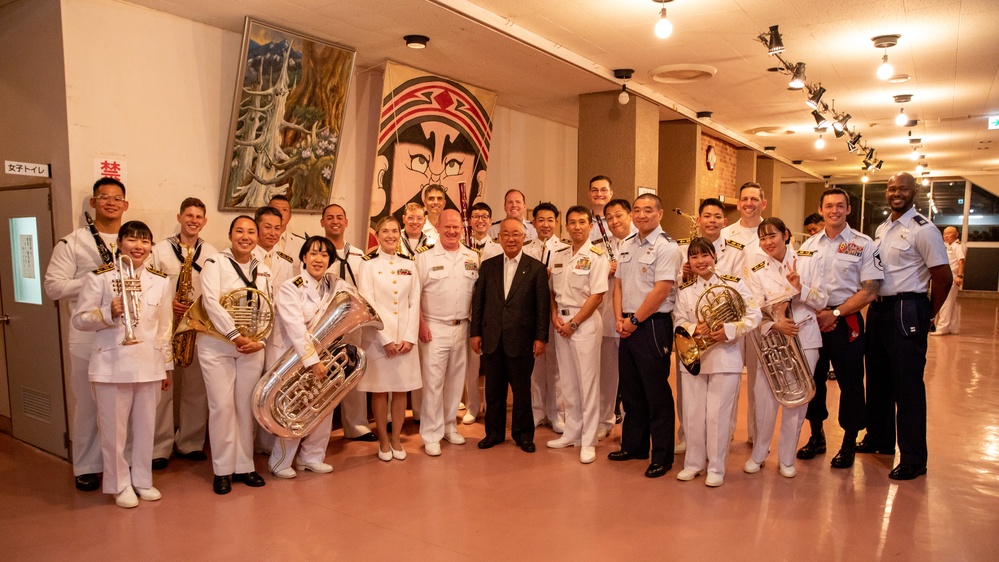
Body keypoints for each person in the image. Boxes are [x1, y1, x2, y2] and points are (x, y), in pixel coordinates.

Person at [72, 221, 174, 508]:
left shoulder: (161, 281)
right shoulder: (100, 277)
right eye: (132, 240)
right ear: (119, 243)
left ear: (151, 248)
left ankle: (142, 479)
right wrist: (107, 311)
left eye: (144, 241)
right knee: (113, 431)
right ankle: (118, 484)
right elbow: (79, 319)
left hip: (149, 365)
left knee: (145, 428)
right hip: (111, 364)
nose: (138, 246)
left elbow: (165, 327)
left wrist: (167, 367)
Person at [862, 172, 952, 480]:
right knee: (877, 379)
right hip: (878, 309)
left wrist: (928, 314)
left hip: (906, 308)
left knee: (908, 387)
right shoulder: (884, 227)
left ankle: (914, 458)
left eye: (903, 189)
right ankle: (880, 439)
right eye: (891, 188)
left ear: (914, 192)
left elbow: (943, 277)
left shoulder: (923, 230)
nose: (896, 193)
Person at [44, 177, 128, 492]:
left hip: (125, 336)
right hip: (86, 336)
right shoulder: (73, 243)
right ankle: (87, 466)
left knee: (123, 406)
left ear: (125, 204)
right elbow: (53, 287)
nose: (111, 202)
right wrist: (96, 279)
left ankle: (122, 462)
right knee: (88, 405)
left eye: (117, 197)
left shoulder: (133, 238)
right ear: (93, 203)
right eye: (104, 197)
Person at [796, 188, 882, 469]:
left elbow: (870, 290)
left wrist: (834, 313)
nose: (834, 210)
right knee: (813, 381)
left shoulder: (864, 244)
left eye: (840, 206)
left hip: (847, 322)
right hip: (812, 322)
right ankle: (817, 436)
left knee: (851, 384)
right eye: (829, 206)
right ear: (821, 209)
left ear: (848, 210)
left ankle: (848, 441)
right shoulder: (808, 245)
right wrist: (818, 315)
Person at [674, 238, 761, 487]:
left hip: (725, 356)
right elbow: (678, 320)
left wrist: (730, 329)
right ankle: (693, 464)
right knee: (692, 414)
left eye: (705, 255)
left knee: (717, 416)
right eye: (694, 257)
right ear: (689, 261)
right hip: (694, 357)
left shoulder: (733, 285)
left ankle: (716, 467)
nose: (700, 261)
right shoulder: (685, 289)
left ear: (715, 256)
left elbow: (753, 315)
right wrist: (693, 327)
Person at [744, 218, 825, 479]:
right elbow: (752, 307)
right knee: (765, 397)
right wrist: (775, 324)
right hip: (772, 339)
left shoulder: (808, 261)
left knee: (797, 399)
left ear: (786, 234)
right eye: (763, 238)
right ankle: (758, 453)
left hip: (805, 336)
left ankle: (787, 458)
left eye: (773, 236)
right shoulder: (755, 268)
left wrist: (800, 288)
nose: (768, 242)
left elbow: (823, 299)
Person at [268, 236, 353, 478]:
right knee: (293, 410)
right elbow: (295, 328)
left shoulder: (333, 285)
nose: (318, 259)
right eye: (313, 253)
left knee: (322, 405)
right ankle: (280, 462)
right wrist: (312, 360)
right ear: (304, 257)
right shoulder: (290, 287)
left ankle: (312, 457)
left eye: (324, 255)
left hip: (323, 353)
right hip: (293, 356)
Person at [199, 216, 272, 495]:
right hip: (218, 346)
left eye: (251, 231)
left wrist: (262, 340)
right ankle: (222, 470)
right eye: (239, 231)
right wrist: (234, 334)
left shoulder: (263, 269)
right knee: (221, 408)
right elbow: (211, 303)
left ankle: (244, 466)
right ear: (230, 235)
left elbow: (269, 307)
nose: (246, 236)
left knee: (245, 407)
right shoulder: (215, 263)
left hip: (252, 347)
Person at [610, 194, 680, 478]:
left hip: (652, 325)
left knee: (656, 392)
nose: (641, 215)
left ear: (660, 214)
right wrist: (620, 318)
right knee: (631, 390)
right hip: (626, 323)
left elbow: (661, 290)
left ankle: (662, 455)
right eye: (637, 210)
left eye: (648, 210)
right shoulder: (627, 245)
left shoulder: (667, 247)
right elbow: (619, 285)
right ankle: (634, 446)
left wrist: (635, 320)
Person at [674, 198, 751, 453]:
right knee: (691, 402)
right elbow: (678, 306)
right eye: (707, 216)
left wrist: (728, 328)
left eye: (717, 216)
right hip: (695, 341)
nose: (712, 221)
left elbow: (745, 303)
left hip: (724, 343)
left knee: (721, 407)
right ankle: (691, 445)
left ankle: (719, 449)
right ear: (699, 220)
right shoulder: (683, 252)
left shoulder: (737, 251)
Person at [149, 197, 218, 468]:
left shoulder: (212, 252)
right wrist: (169, 304)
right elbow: (150, 284)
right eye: (188, 215)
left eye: (198, 216)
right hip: (165, 326)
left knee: (196, 388)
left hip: (197, 327)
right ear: (179, 218)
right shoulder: (159, 250)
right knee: (163, 387)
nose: (193, 220)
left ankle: (190, 442)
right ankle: (159, 447)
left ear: (204, 221)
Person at [471, 218, 550, 453]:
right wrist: (475, 332)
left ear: (524, 237)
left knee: (522, 391)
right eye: (506, 234)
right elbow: (479, 303)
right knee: (494, 391)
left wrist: (541, 337)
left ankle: (523, 435)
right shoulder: (488, 266)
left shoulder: (536, 269)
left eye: (516, 234)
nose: (511, 239)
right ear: (499, 238)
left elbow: (542, 307)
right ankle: (493, 433)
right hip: (492, 338)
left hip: (523, 341)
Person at [547, 206, 609, 464]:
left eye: (582, 222)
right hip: (561, 321)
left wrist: (573, 323)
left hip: (583, 323)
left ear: (591, 225)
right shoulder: (558, 254)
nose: (576, 227)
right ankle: (571, 431)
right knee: (569, 382)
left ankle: (589, 438)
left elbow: (597, 295)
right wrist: (554, 316)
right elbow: (551, 291)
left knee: (588, 381)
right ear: (566, 226)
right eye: (571, 222)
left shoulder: (597, 255)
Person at [357, 216, 422, 461]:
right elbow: (367, 303)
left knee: (401, 390)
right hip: (378, 339)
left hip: (404, 339)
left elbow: (414, 302)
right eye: (385, 231)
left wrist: (407, 337)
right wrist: (385, 338)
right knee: (381, 391)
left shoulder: (409, 263)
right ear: (378, 234)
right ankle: (383, 439)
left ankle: (397, 438)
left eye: (394, 231)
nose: (390, 235)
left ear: (399, 233)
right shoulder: (368, 264)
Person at [415, 210, 479, 456]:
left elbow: (475, 296)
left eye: (456, 227)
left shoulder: (471, 256)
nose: (452, 231)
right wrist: (420, 325)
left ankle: (450, 425)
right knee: (433, 383)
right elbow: (415, 295)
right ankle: (431, 433)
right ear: (438, 227)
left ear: (462, 229)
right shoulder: (425, 257)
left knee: (455, 381)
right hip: (434, 328)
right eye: (447, 227)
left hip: (462, 327)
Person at [319, 203, 377, 442]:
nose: (335, 221)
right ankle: (319, 430)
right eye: (329, 218)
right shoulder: (317, 251)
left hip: (353, 323)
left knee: (354, 371)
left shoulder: (358, 255)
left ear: (346, 222)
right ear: (322, 223)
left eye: (339, 217)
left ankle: (357, 426)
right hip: (325, 324)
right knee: (323, 375)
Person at [719, 182, 765, 445]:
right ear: (738, 203)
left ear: (763, 203)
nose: (749, 203)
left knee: (759, 380)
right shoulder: (725, 234)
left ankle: (757, 436)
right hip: (732, 317)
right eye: (745, 199)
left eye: (754, 199)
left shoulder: (773, 232)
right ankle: (724, 435)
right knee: (730, 377)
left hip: (761, 316)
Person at [252, 206, 296, 454]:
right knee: (251, 389)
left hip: (279, 333)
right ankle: (247, 444)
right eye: (267, 227)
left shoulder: (287, 262)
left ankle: (268, 442)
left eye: (277, 228)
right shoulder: (247, 257)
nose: (272, 232)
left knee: (273, 386)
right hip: (253, 331)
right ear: (257, 227)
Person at [523, 202, 568, 432]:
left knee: (557, 367)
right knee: (535, 365)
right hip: (532, 316)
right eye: (541, 220)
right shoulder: (525, 249)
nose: (546, 224)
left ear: (557, 222)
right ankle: (537, 411)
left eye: (550, 220)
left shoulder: (565, 250)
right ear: (533, 223)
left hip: (556, 315)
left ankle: (556, 413)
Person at [596, 198, 634, 438]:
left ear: (629, 215)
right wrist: (604, 269)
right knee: (606, 375)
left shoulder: (642, 242)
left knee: (631, 377)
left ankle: (633, 424)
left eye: (618, 215)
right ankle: (604, 421)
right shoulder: (599, 246)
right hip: (608, 316)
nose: (614, 221)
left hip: (634, 318)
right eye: (609, 218)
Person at [462, 201, 500, 424]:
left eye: (485, 216)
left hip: (491, 313)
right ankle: (472, 406)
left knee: (493, 363)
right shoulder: (462, 246)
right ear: (470, 220)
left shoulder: (497, 248)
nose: (480, 220)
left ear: (490, 220)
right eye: (476, 216)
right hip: (468, 312)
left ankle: (491, 403)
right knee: (472, 364)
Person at [932, 226, 965, 336]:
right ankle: (953, 327)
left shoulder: (958, 246)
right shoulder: (946, 246)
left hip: (953, 276)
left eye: (949, 233)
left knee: (946, 302)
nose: (946, 235)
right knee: (952, 303)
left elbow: (961, 261)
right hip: (947, 275)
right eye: (944, 233)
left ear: (956, 235)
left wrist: (960, 275)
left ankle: (942, 328)